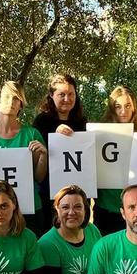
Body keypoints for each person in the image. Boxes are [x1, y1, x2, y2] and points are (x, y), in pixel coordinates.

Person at [0, 81, 49, 236]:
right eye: (6, 97)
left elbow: (39, 177)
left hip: (29, 208)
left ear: (21, 104)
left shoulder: (32, 134)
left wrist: (43, 155)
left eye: (16, 99)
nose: (11, 102)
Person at [31, 73, 88, 228]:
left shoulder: (82, 122)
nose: (67, 99)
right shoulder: (41, 121)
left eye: (71, 94)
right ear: (51, 95)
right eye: (61, 94)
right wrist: (54, 138)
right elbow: (35, 157)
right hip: (49, 193)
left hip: (77, 191)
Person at [92, 86, 137, 235]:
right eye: (118, 106)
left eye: (128, 106)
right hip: (106, 208)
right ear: (111, 108)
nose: (123, 111)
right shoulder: (99, 134)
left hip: (135, 211)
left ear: (134, 107)